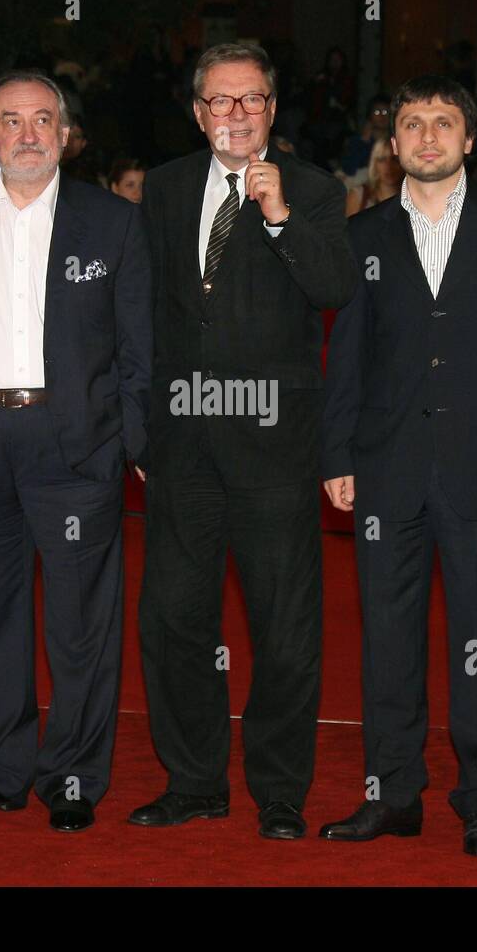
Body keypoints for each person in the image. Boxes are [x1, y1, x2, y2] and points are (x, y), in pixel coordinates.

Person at [130, 42, 356, 840]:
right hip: (182, 444)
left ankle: (280, 791)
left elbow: (335, 288)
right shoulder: (160, 188)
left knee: (285, 630)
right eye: (220, 102)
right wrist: (141, 428)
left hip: (273, 442)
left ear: (270, 109)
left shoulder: (317, 190)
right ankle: (194, 779)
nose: (235, 114)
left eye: (251, 100)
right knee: (172, 617)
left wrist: (280, 216)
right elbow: (146, 312)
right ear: (198, 113)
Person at [320, 75, 477, 856]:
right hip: (387, 467)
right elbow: (347, 353)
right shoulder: (365, 234)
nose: (425, 137)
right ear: (394, 141)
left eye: (442, 123)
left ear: (470, 139)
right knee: (387, 638)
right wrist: (337, 451)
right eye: (411, 123)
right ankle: (394, 794)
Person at [0, 71, 151, 832]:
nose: (27, 134)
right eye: (11, 121)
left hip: (74, 441)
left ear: (64, 135)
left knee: (81, 621)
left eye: (43, 120)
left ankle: (75, 777)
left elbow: (137, 349)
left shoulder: (112, 221)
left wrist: (130, 442)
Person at [344, 136, 403, 215]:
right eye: (382, 159)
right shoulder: (359, 196)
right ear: (374, 164)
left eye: (394, 159)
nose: (388, 165)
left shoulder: (414, 198)